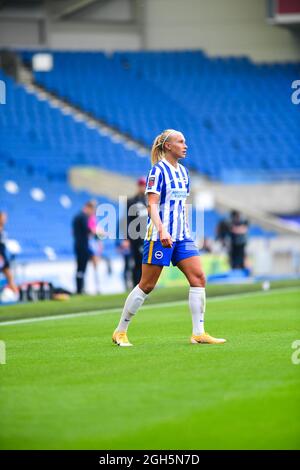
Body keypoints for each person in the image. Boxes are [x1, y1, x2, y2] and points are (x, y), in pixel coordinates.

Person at [112, 129, 226, 346]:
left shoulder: (183, 172)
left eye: (185, 141)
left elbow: (180, 206)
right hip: (159, 235)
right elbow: (152, 204)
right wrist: (163, 229)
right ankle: (120, 330)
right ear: (168, 146)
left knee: (198, 278)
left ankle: (198, 333)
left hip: (182, 236)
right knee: (146, 285)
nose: (185, 145)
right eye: (180, 141)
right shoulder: (157, 171)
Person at [126, 177, 148, 286]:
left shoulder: (149, 200)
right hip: (136, 237)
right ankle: (137, 286)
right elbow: (128, 220)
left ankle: (146, 285)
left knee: (147, 263)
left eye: (144, 185)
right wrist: (127, 238)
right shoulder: (131, 201)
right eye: (141, 185)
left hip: (148, 236)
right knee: (138, 262)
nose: (143, 188)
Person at [72, 200, 96, 294]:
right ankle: (79, 289)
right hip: (82, 246)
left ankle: (80, 288)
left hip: (79, 245)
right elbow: (87, 230)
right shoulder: (83, 217)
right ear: (88, 208)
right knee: (81, 268)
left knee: (80, 268)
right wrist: (96, 231)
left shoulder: (78, 216)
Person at [0, 211, 18, 293]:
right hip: (1, 257)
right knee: (9, 276)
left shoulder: (3, 228)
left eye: (5, 217)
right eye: (3, 217)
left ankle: (16, 295)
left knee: (10, 277)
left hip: (3, 256)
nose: (5, 219)